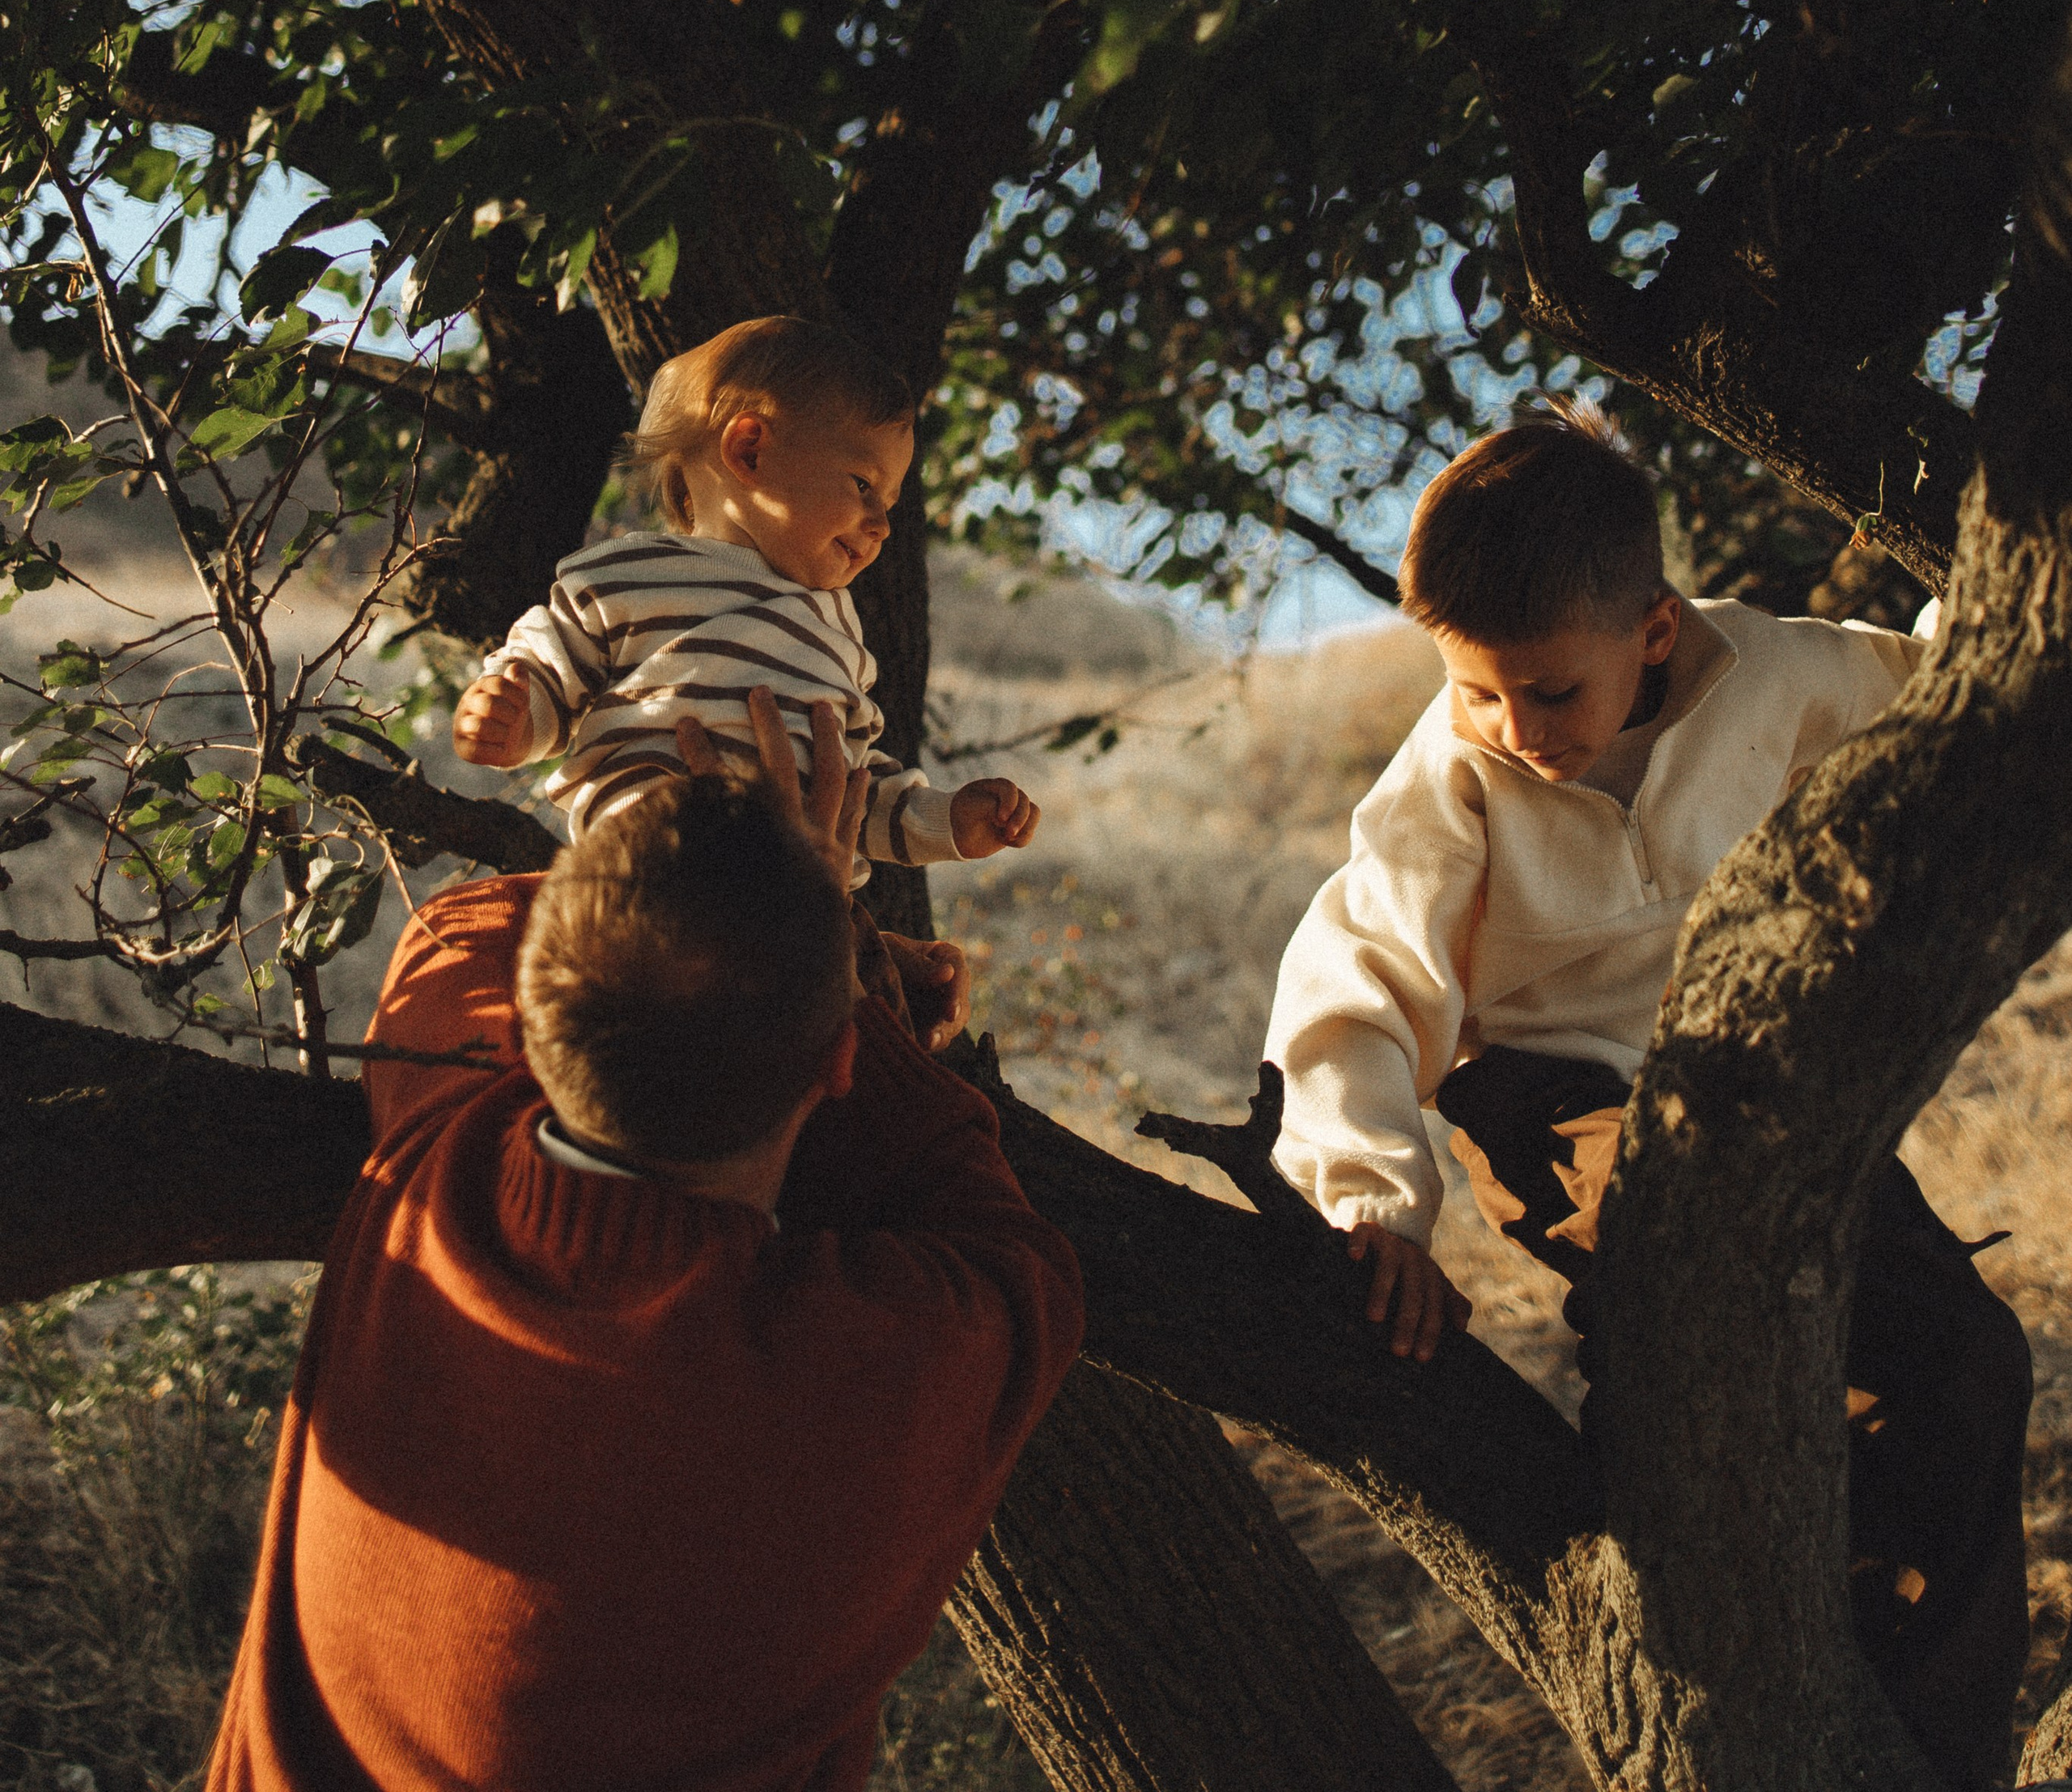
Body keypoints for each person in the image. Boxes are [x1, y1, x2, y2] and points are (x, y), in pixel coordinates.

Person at [1265, 406, 2031, 1790]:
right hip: (1548, 1099)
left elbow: (1944, 688)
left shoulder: (1773, 670)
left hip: (1765, 1083)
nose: (1512, 727)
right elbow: (1361, 986)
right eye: (1477, 692)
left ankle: (1937, 1738)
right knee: (1684, 1251)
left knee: (1970, 1358)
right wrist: (1372, 1200)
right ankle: (1663, 1540)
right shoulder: (1452, 785)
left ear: (1658, 632)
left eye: (1549, 692)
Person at [206, 690, 1084, 1792]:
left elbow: (459, 929)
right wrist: (835, 945)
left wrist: (795, 940)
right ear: (841, 1070)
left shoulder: (433, 1177)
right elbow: (1020, 1266)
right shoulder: (869, 1378)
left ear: (540, 1019)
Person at [451, 312, 1038, 884]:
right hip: (645, 877)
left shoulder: (836, 632)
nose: (883, 524)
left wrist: (949, 821)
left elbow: (854, 787)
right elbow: (546, 670)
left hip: (798, 914)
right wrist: (512, 718)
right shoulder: (627, 573)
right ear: (750, 450)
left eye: (890, 501)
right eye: (864, 486)